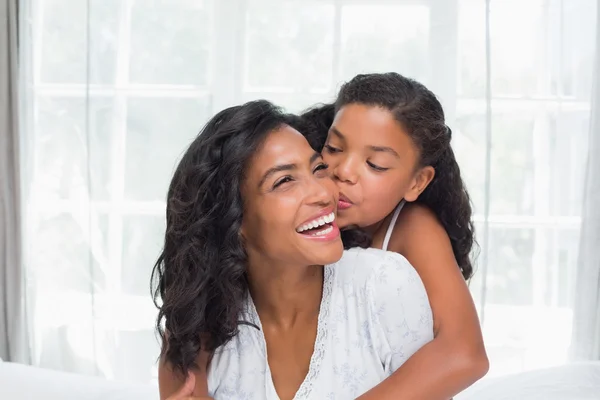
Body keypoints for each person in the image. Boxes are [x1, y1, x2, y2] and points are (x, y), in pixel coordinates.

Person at [153, 100, 434, 399]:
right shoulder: (197, 337)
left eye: (319, 168)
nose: (324, 192)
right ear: (233, 220)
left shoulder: (384, 284)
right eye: (285, 180)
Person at [293, 72, 489, 399]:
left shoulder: (414, 228)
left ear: (416, 183)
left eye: (376, 164)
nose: (344, 171)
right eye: (334, 148)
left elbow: (465, 354)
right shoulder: (302, 209)